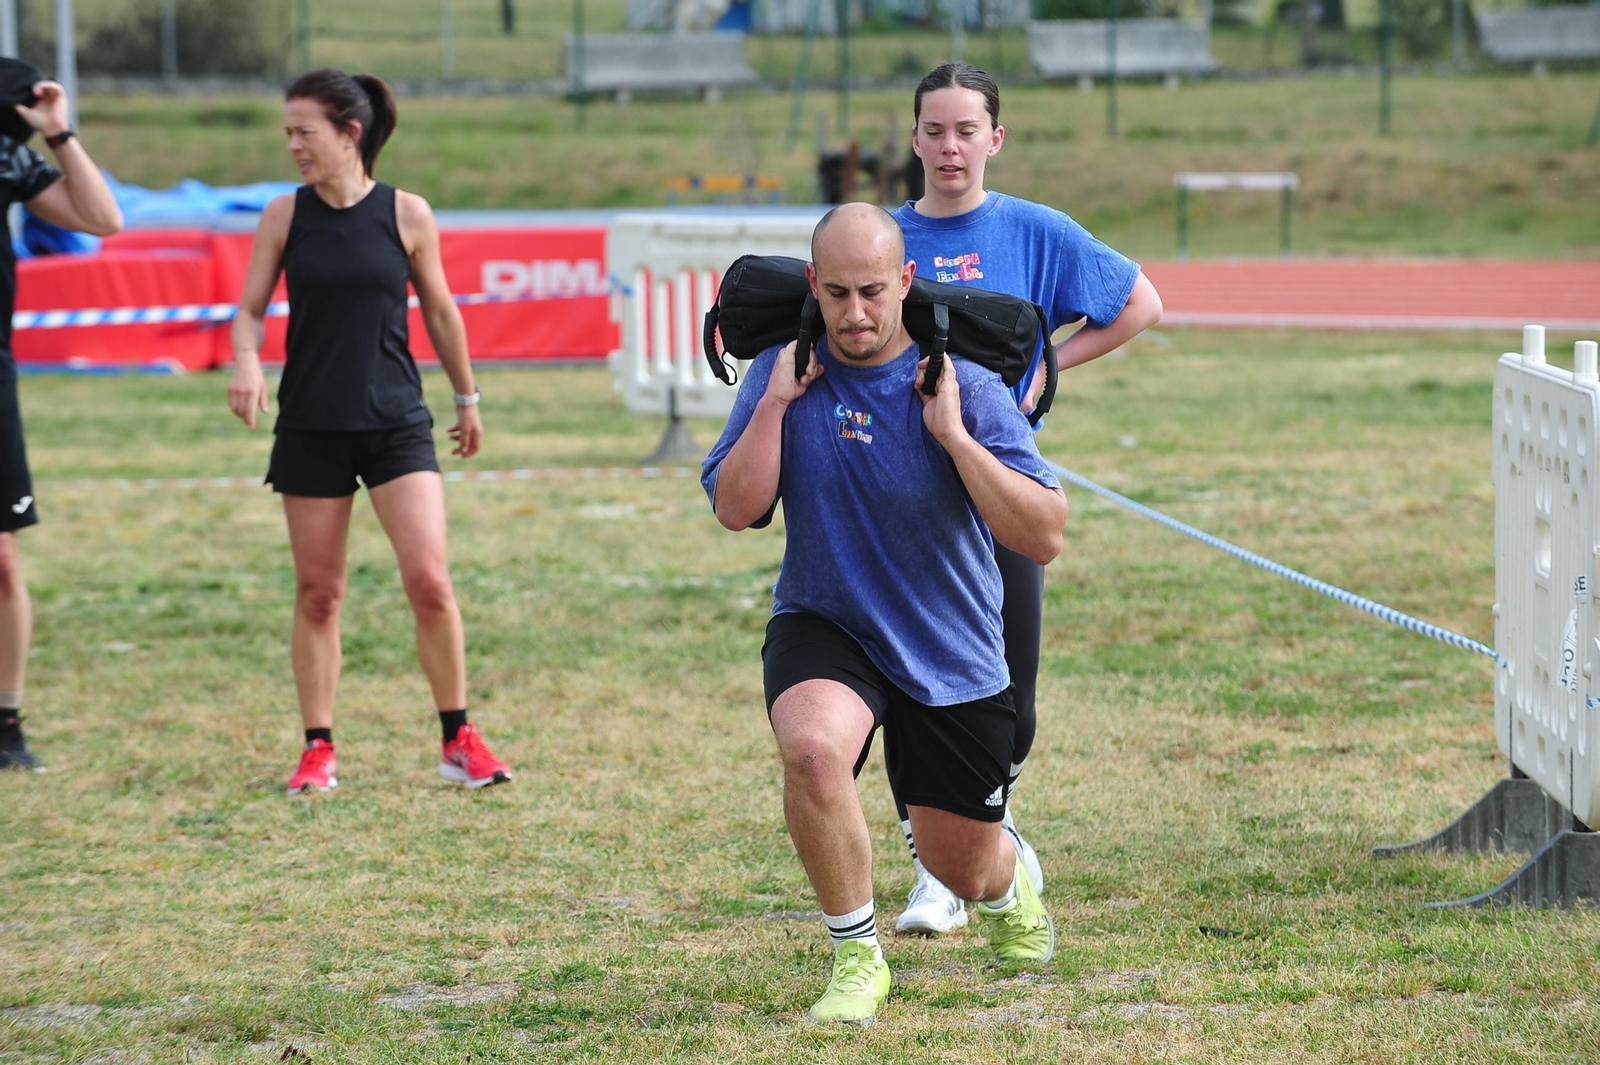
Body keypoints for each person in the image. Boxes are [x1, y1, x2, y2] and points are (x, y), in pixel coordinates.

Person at [702, 204, 1070, 1025]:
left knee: (963, 868)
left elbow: (1044, 533)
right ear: (813, 285)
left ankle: (1009, 887)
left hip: (948, 642)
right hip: (828, 618)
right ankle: (857, 957)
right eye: (836, 293)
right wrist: (772, 407)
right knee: (810, 749)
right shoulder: (780, 369)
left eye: (873, 290)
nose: (856, 313)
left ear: (906, 280)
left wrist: (958, 439)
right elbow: (734, 508)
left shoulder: (964, 385)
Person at [885, 62, 1164, 935]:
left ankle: (990, 820)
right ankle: (934, 870)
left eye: (967, 130)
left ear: (995, 139)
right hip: (901, 503)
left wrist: (1051, 362)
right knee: (910, 685)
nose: (950, 146)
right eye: (935, 129)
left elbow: (1141, 302)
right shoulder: (882, 238)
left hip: (1001, 491)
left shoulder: (1036, 231)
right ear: (916, 138)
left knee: (1011, 691)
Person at [227, 69, 511, 793]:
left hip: (396, 425)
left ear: (348, 134)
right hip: (311, 428)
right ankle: (318, 748)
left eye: (304, 131)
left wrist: (468, 397)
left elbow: (443, 313)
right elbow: (251, 309)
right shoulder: (283, 217)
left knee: (431, 583)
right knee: (319, 594)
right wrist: (246, 361)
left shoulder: (407, 213)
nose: (292, 144)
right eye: (287, 132)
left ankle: (458, 739)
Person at [0, 71, 123, 771]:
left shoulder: (6, 155)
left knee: (3, 558)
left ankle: (5, 723)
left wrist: (58, 131)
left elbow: (104, 220)